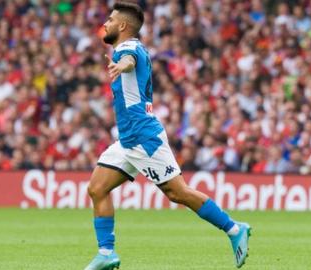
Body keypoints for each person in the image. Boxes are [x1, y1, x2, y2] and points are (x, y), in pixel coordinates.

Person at [84, 2, 251, 270]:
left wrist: (122, 66)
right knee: (97, 188)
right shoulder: (129, 48)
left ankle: (234, 229)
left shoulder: (128, 50)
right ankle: (106, 253)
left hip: (144, 139)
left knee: (178, 193)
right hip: (128, 140)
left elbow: (130, 60)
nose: (106, 23)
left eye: (111, 20)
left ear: (123, 26)